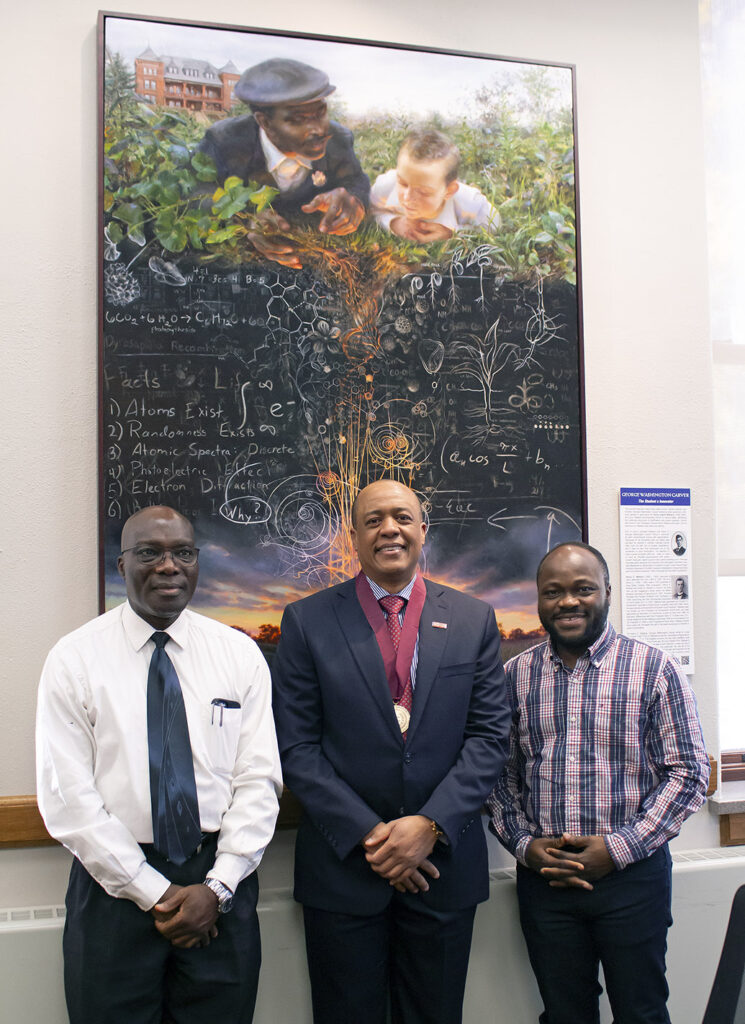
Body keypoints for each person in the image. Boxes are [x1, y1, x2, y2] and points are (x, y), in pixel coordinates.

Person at [272, 478, 510, 1024]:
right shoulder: (307, 622)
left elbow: (490, 736)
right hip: (346, 873)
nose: (389, 529)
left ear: (423, 530)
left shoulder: (474, 619)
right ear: (353, 537)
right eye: (373, 520)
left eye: (402, 517)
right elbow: (296, 746)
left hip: (443, 868)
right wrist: (375, 838)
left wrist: (429, 825)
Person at [36, 505, 283, 1024]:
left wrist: (216, 888)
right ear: (122, 566)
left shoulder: (238, 655)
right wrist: (158, 893)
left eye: (183, 553)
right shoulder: (74, 659)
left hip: (218, 882)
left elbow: (258, 779)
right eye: (149, 553)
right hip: (114, 887)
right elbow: (69, 800)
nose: (168, 566)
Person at [488, 541, 709, 1024]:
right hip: (547, 882)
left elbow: (690, 773)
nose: (568, 601)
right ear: (539, 601)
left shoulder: (655, 669)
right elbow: (497, 777)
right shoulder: (512, 677)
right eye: (554, 592)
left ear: (607, 592)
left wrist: (617, 849)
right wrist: (526, 846)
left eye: (583, 589)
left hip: (633, 880)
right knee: (565, 1015)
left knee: (642, 1012)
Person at [199, 58, 370, 268]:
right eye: (298, 120)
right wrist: (244, 223)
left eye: (321, 113)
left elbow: (356, 180)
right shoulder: (224, 142)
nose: (319, 129)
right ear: (264, 122)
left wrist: (354, 200)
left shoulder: (339, 140)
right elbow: (195, 194)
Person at [370, 129, 500, 242]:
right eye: (403, 183)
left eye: (423, 192)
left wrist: (452, 234)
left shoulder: (471, 203)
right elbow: (370, 208)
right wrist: (393, 222)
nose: (407, 197)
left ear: (449, 191)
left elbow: (495, 226)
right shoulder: (386, 186)